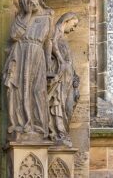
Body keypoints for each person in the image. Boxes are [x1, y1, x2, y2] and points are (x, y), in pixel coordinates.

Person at [3, 0, 54, 140]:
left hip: (37, 54)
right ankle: (22, 123)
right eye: (28, 1)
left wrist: (49, 62)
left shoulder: (48, 16)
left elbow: (48, 41)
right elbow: (14, 35)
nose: (32, 2)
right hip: (21, 53)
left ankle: (37, 125)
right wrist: (28, 14)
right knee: (19, 88)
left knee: (37, 90)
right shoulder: (21, 18)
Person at [48, 12, 80, 146]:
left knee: (68, 106)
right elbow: (51, 44)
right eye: (74, 24)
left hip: (68, 79)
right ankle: (58, 132)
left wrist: (75, 75)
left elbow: (70, 61)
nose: (74, 29)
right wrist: (61, 61)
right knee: (59, 105)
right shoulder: (54, 33)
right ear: (67, 20)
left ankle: (63, 133)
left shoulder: (64, 39)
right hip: (60, 77)